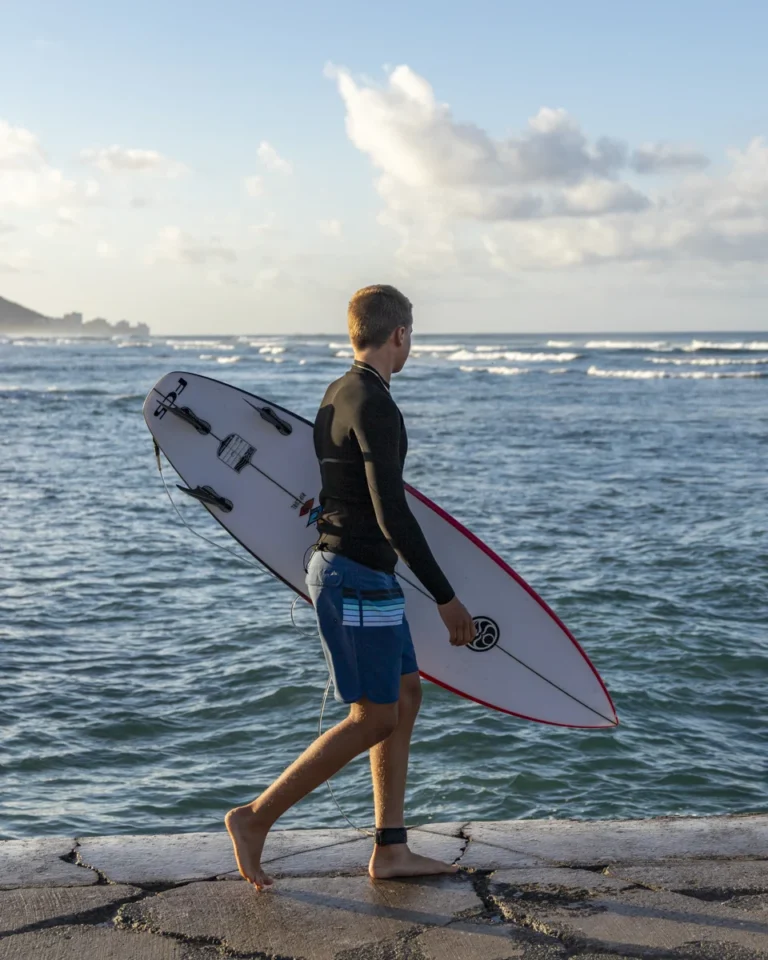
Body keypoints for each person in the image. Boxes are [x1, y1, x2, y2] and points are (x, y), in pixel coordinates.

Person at [225, 284, 476, 889]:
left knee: (405, 697)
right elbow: (393, 513)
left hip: (358, 573)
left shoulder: (338, 392)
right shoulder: (376, 405)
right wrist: (446, 598)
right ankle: (255, 818)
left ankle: (391, 849)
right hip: (357, 578)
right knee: (373, 717)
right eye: (411, 336)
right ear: (400, 334)